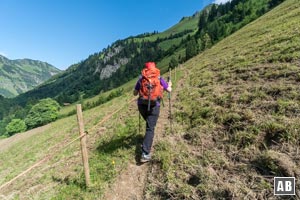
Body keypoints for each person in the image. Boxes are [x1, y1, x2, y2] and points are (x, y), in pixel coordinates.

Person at [133, 62, 172, 163]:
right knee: (150, 128)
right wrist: (169, 85)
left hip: (141, 105)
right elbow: (169, 90)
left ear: (145, 69)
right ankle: (145, 153)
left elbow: (134, 93)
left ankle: (146, 141)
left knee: (149, 124)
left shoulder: (142, 79)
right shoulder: (159, 78)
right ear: (155, 68)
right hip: (155, 106)